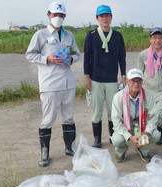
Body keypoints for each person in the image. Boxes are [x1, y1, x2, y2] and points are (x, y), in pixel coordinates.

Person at [25, 1, 81, 167]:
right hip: (49, 84)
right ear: (48, 15)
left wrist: (71, 59)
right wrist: (46, 59)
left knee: (69, 117)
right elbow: (29, 54)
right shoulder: (40, 35)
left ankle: (70, 147)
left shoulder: (69, 35)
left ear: (65, 17)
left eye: (61, 15)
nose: (58, 18)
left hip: (68, 83)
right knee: (48, 119)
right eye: (55, 14)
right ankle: (44, 152)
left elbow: (77, 54)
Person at [83, 4, 127, 148]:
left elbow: (122, 56)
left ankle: (112, 136)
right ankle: (97, 139)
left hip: (112, 80)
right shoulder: (91, 35)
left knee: (112, 112)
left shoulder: (117, 36)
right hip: (95, 79)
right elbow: (87, 57)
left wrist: (123, 75)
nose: (104, 18)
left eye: (107, 15)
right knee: (96, 112)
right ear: (97, 18)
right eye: (101, 16)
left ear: (111, 17)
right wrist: (86, 76)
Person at [110, 69, 161, 163]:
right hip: (125, 126)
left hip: (142, 126)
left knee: (156, 135)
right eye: (133, 81)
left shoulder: (148, 96)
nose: (136, 84)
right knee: (117, 139)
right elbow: (116, 120)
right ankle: (121, 152)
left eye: (139, 81)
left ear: (142, 82)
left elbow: (153, 117)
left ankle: (143, 150)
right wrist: (129, 137)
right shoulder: (118, 97)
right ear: (127, 82)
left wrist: (146, 133)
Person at [137, 27, 162, 145]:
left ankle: (159, 132)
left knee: (159, 113)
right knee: (148, 114)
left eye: (160, 38)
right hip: (147, 90)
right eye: (154, 38)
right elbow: (139, 73)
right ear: (150, 39)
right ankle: (149, 133)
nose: (157, 41)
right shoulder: (142, 55)